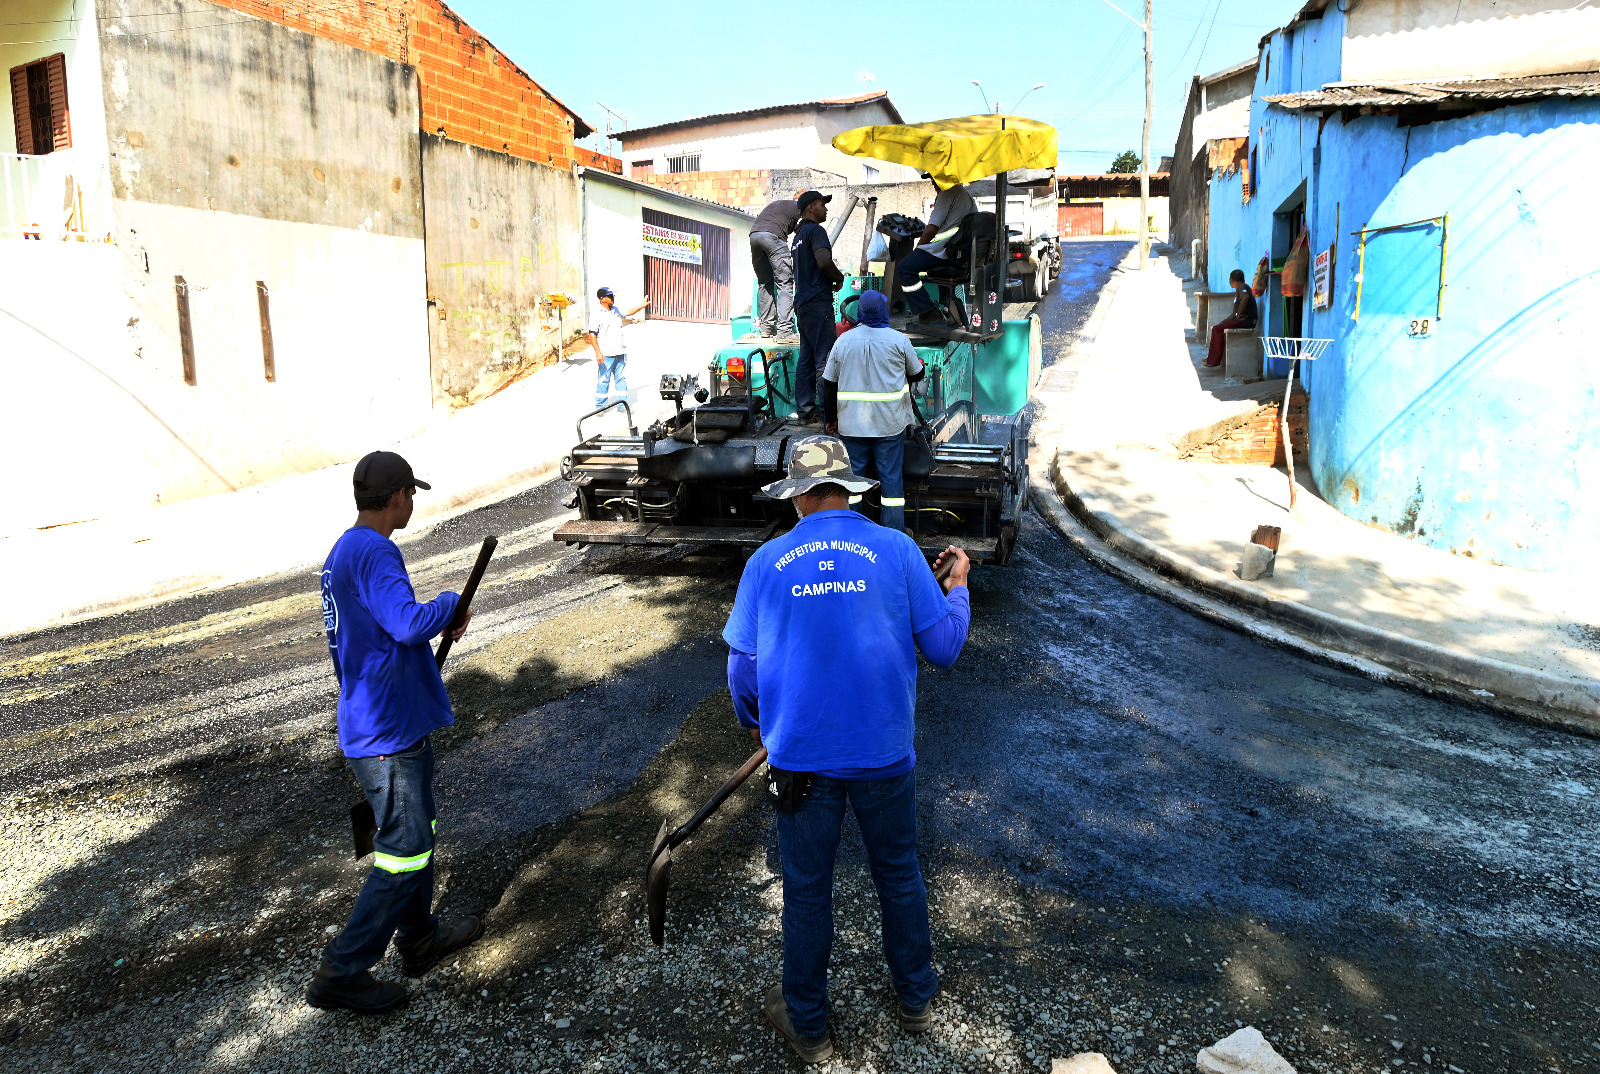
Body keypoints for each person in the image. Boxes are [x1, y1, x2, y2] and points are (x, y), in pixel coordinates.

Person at [722, 435, 972, 1064]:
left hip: (800, 756)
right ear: (849, 487)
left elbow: (742, 667)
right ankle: (915, 998)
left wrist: (757, 724)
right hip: (884, 753)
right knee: (898, 873)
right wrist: (959, 587)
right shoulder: (897, 550)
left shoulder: (766, 562)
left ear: (799, 496)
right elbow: (941, 648)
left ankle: (809, 1026)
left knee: (807, 890)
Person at [306, 450, 483, 1014]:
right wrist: (450, 603)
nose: (412, 503)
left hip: (380, 716)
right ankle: (343, 970)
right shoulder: (376, 550)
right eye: (412, 493)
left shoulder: (342, 551)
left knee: (418, 834)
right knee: (404, 849)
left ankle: (419, 939)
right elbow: (407, 625)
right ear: (398, 496)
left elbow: (377, 635)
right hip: (386, 732)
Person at [821, 289, 924, 532]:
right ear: (883, 311)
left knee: (852, 482)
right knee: (890, 482)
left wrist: (831, 419)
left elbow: (828, 384)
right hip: (889, 426)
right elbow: (917, 374)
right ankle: (892, 534)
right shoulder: (899, 340)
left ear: (860, 313)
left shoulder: (843, 341)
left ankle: (851, 534)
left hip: (851, 427)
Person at [791, 190, 846, 423]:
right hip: (817, 303)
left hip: (802, 304)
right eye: (822, 205)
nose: (826, 209)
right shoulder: (816, 230)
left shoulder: (797, 237)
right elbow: (824, 261)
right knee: (825, 358)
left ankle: (805, 410)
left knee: (806, 358)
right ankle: (828, 416)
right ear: (811, 207)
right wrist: (839, 277)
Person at [896, 177, 978, 324]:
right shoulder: (966, 195)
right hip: (960, 253)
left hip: (945, 251)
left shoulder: (947, 192)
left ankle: (927, 311)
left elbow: (931, 229)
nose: (933, 183)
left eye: (935, 178)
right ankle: (944, 307)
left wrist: (918, 248)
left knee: (904, 267)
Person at [750, 193, 802, 342]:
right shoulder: (799, 206)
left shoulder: (780, 205)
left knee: (765, 282)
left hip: (754, 236)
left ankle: (766, 328)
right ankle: (785, 331)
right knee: (785, 283)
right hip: (773, 237)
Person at [587, 286, 649, 408]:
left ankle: (623, 405)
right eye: (610, 296)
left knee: (621, 378)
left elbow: (628, 312)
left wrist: (641, 307)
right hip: (606, 353)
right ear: (602, 299)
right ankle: (600, 407)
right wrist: (597, 352)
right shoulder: (596, 314)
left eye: (612, 295)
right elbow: (592, 334)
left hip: (619, 351)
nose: (612, 298)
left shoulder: (615, 310)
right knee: (604, 379)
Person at [1206, 269, 1258, 367]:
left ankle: (1214, 361)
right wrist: (1223, 322)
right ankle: (1211, 358)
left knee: (1217, 329)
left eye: (1230, 280)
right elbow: (1234, 314)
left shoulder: (1243, 287)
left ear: (1233, 280)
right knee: (1217, 327)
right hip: (1242, 320)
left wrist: (1239, 315)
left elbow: (1246, 297)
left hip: (1247, 321)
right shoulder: (1240, 289)